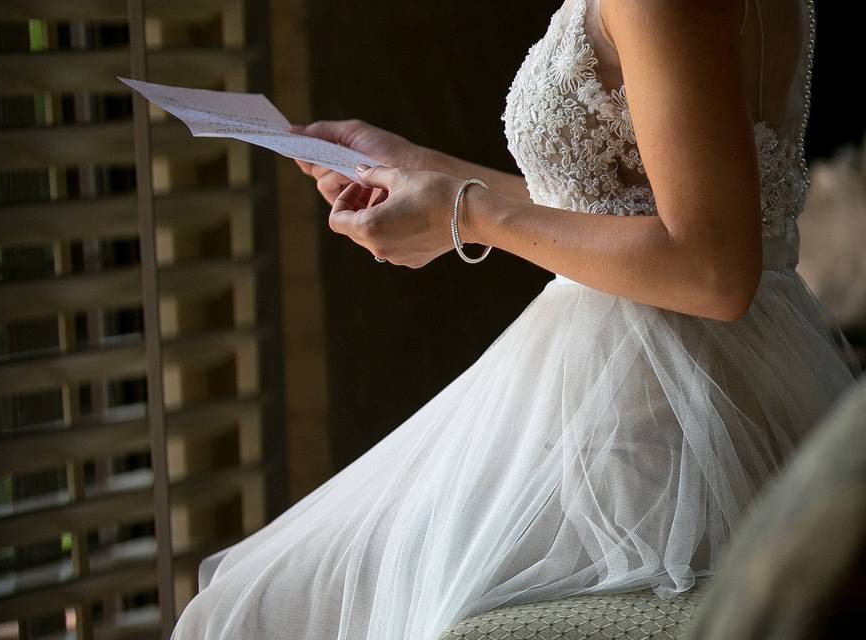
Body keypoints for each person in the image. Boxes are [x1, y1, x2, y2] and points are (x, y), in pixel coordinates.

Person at [171, 1, 862, 638]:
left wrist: (464, 211)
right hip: (704, 378)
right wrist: (421, 169)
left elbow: (712, 269)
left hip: (646, 419)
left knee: (248, 608)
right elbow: (630, 203)